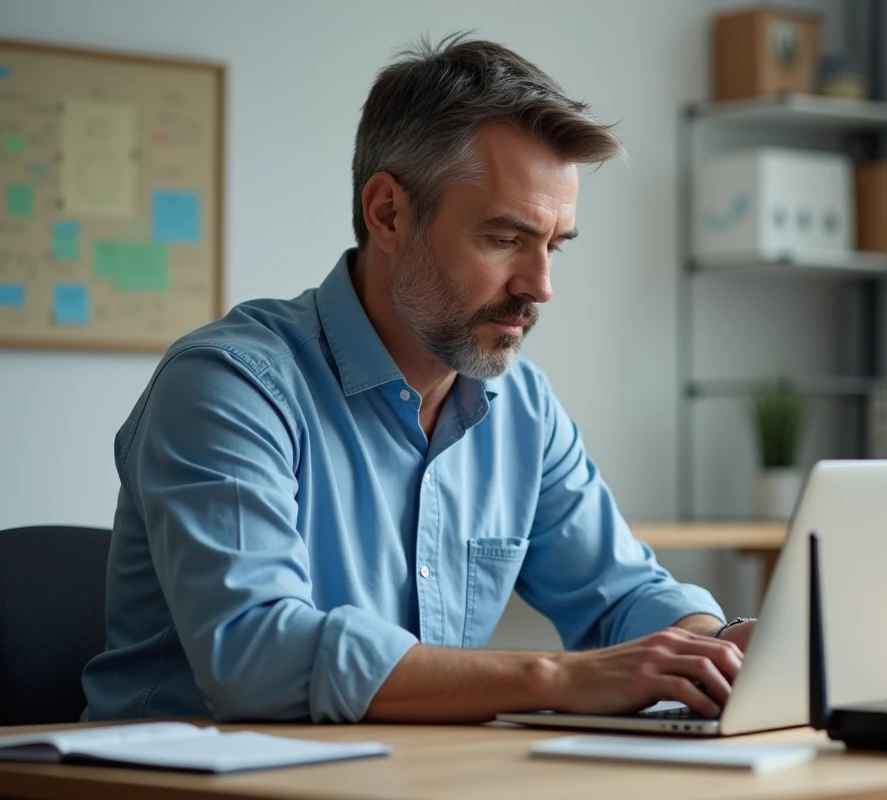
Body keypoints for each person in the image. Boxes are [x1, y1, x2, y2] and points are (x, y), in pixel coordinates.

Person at [81, 34, 757, 725]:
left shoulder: (522, 407)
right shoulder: (229, 387)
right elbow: (256, 658)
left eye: (553, 245)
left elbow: (619, 596)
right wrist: (558, 677)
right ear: (389, 213)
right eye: (504, 239)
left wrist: (721, 645)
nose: (541, 286)